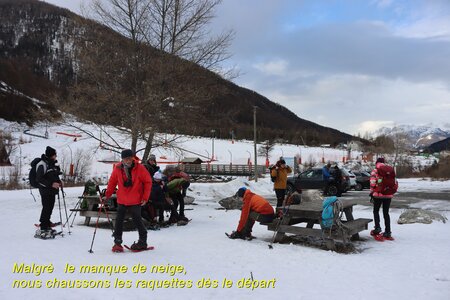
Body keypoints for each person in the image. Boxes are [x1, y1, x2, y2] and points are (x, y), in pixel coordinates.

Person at [105, 149, 152, 252]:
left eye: (130, 158)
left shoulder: (140, 168)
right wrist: (107, 194)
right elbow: (112, 182)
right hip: (122, 200)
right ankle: (117, 243)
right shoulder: (117, 168)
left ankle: (142, 241)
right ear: (122, 159)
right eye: (126, 159)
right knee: (119, 221)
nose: (129, 160)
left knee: (137, 220)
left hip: (136, 200)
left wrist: (145, 197)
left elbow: (148, 182)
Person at [34, 146, 62, 239]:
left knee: (50, 207)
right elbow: (39, 179)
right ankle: (43, 226)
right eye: (54, 154)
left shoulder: (52, 164)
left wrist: (58, 182)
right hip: (45, 190)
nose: (55, 156)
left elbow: (53, 176)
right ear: (51, 155)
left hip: (52, 190)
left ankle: (47, 224)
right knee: (46, 207)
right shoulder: (42, 164)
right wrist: (51, 184)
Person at [370, 157, 398, 239]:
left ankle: (377, 228)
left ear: (376, 163)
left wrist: (372, 191)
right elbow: (395, 182)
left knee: (376, 211)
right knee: (386, 213)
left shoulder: (375, 170)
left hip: (378, 195)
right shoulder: (390, 170)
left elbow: (372, 183)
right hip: (388, 195)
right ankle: (388, 232)